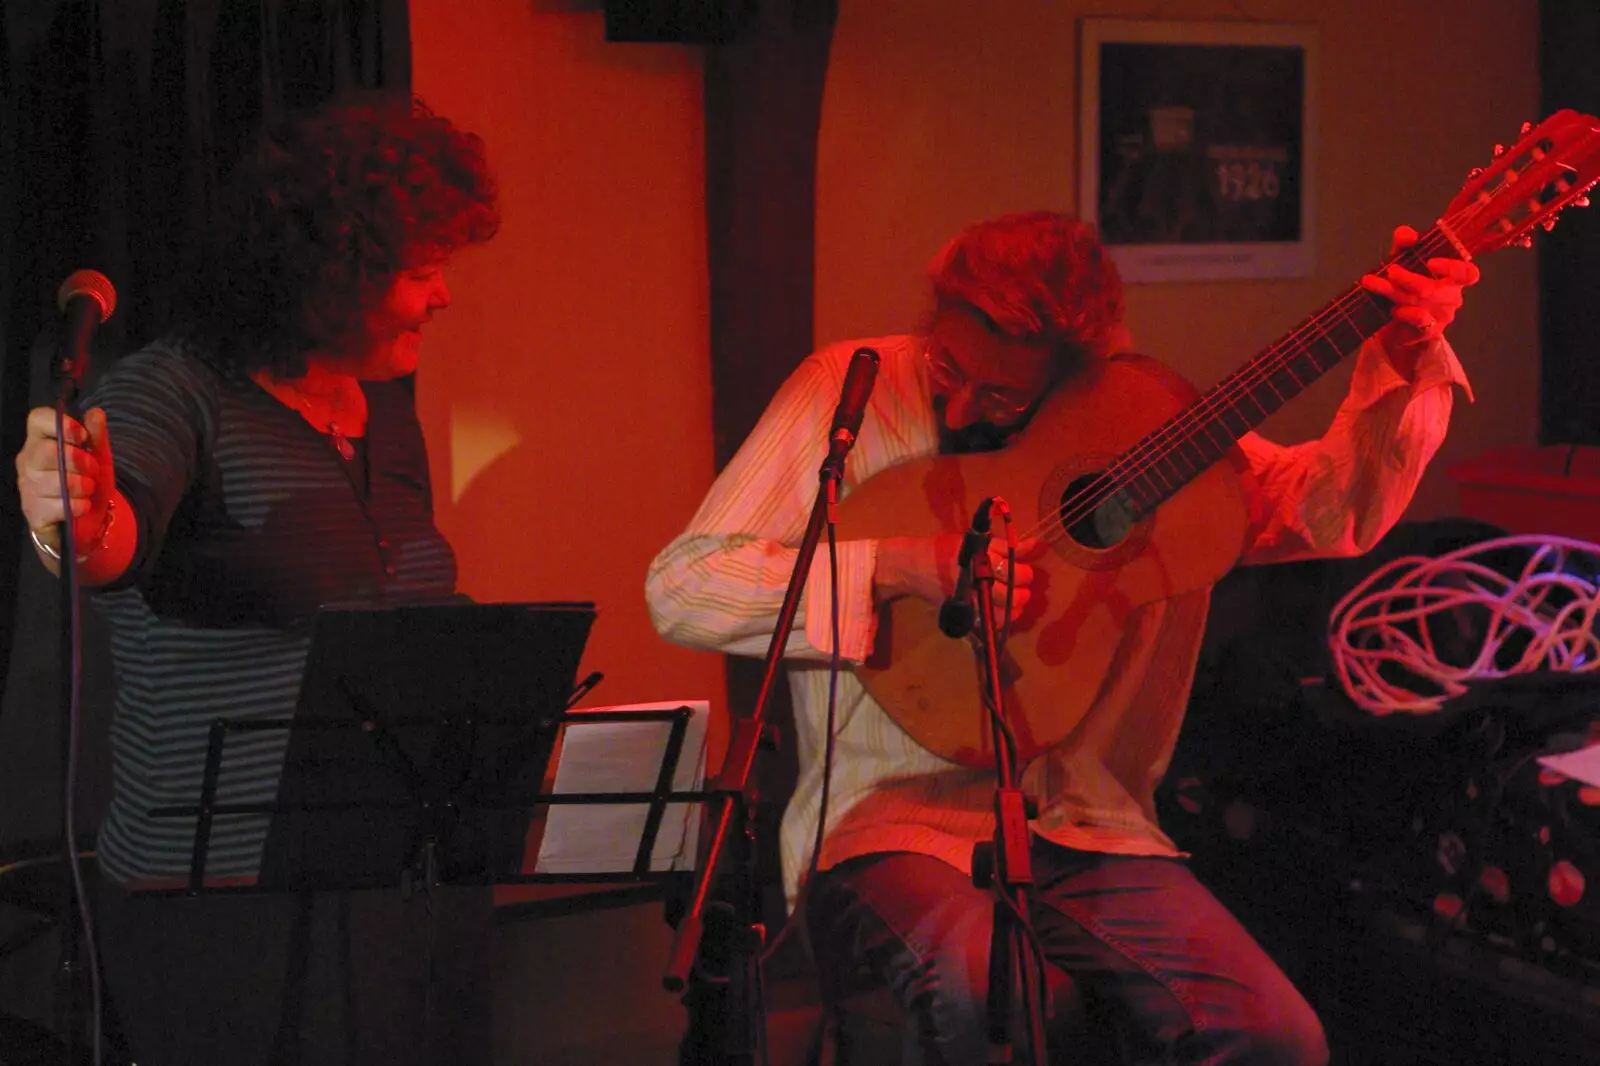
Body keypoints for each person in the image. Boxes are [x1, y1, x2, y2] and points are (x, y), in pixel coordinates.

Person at [646, 211, 1479, 1065]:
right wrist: (896, 565)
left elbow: (1329, 511)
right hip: (892, 821)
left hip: (1087, 823)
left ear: (1086, 372)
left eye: (1004, 393)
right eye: (948, 365)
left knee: (1275, 1034)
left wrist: (1401, 363)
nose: (964, 402)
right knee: (987, 990)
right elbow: (682, 590)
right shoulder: (846, 389)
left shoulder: (1130, 419)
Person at [13, 92, 499, 1065]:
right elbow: (112, 537)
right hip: (221, 903)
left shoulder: (389, 410)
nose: (443, 296)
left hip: (397, 887)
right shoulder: (174, 388)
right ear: (332, 273)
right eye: (424, 270)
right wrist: (75, 515)